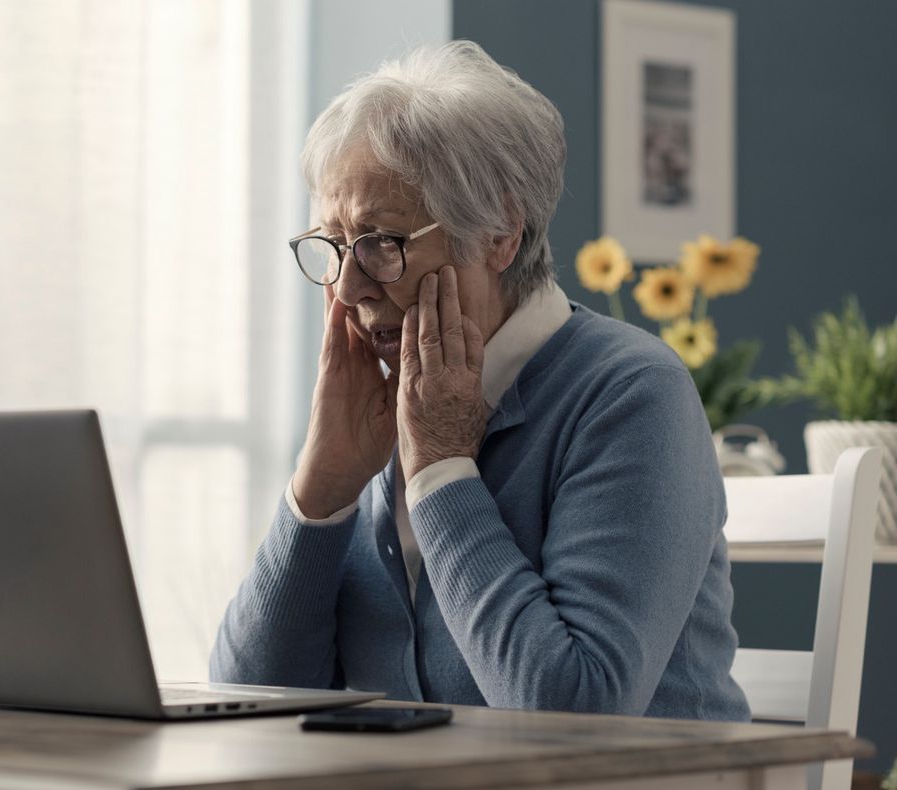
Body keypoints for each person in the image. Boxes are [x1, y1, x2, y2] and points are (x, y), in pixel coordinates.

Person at [210, 42, 750, 720]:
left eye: (382, 242)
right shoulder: (373, 400)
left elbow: (574, 715)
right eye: (336, 243)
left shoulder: (632, 393)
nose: (347, 287)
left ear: (498, 232)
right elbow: (244, 703)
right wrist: (320, 490)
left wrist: (440, 467)